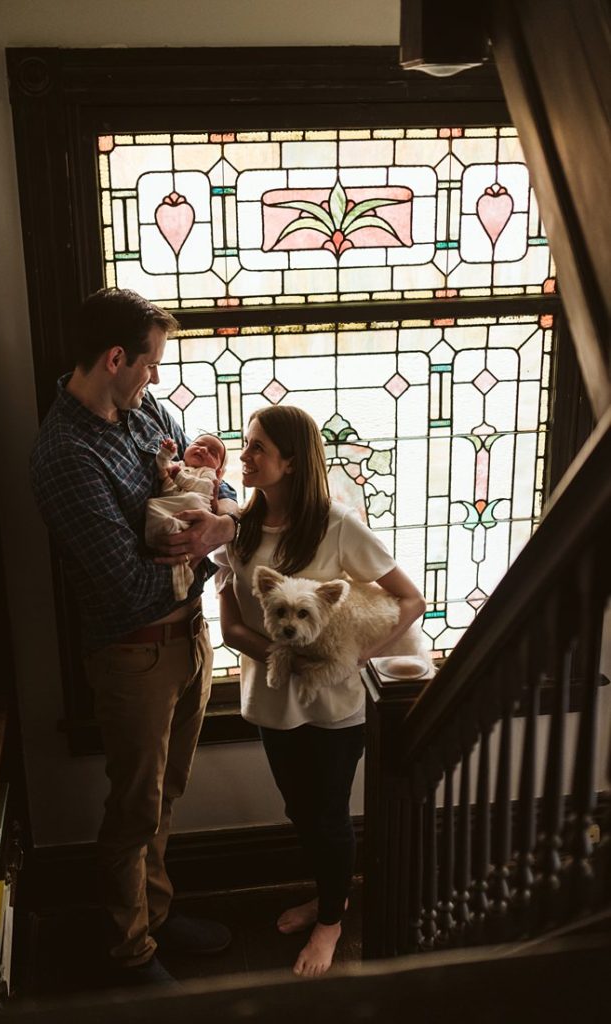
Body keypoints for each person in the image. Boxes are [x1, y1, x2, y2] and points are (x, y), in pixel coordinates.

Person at [30, 287, 241, 987]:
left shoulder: (147, 410)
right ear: (115, 358)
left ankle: (156, 911)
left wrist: (223, 514)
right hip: (134, 653)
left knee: (168, 792)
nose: (157, 378)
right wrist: (212, 548)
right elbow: (126, 584)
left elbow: (204, 488)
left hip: (188, 638)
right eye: (149, 364)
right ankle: (130, 951)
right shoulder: (64, 455)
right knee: (134, 806)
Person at [216, 405, 427, 978]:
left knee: (328, 813)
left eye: (258, 447)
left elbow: (412, 600)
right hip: (273, 693)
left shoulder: (338, 526)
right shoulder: (238, 528)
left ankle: (331, 919)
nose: (246, 455)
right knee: (299, 809)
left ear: (291, 460)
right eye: (246, 444)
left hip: (337, 705)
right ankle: (331, 892)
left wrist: (353, 659)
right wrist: (286, 656)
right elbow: (232, 625)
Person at [145, 434, 227, 601]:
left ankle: (175, 536)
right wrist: (165, 454)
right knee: (151, 505)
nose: (203, 449)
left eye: (212, 452)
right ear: (186, 450)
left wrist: (180, 477)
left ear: (218, 471)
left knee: (193, 499)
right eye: (198, 444)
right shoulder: (178, 465)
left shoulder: (207, 472)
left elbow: (207, 488)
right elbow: (162, 469)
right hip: (171, 507)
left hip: (194, 508)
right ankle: (165, 532)